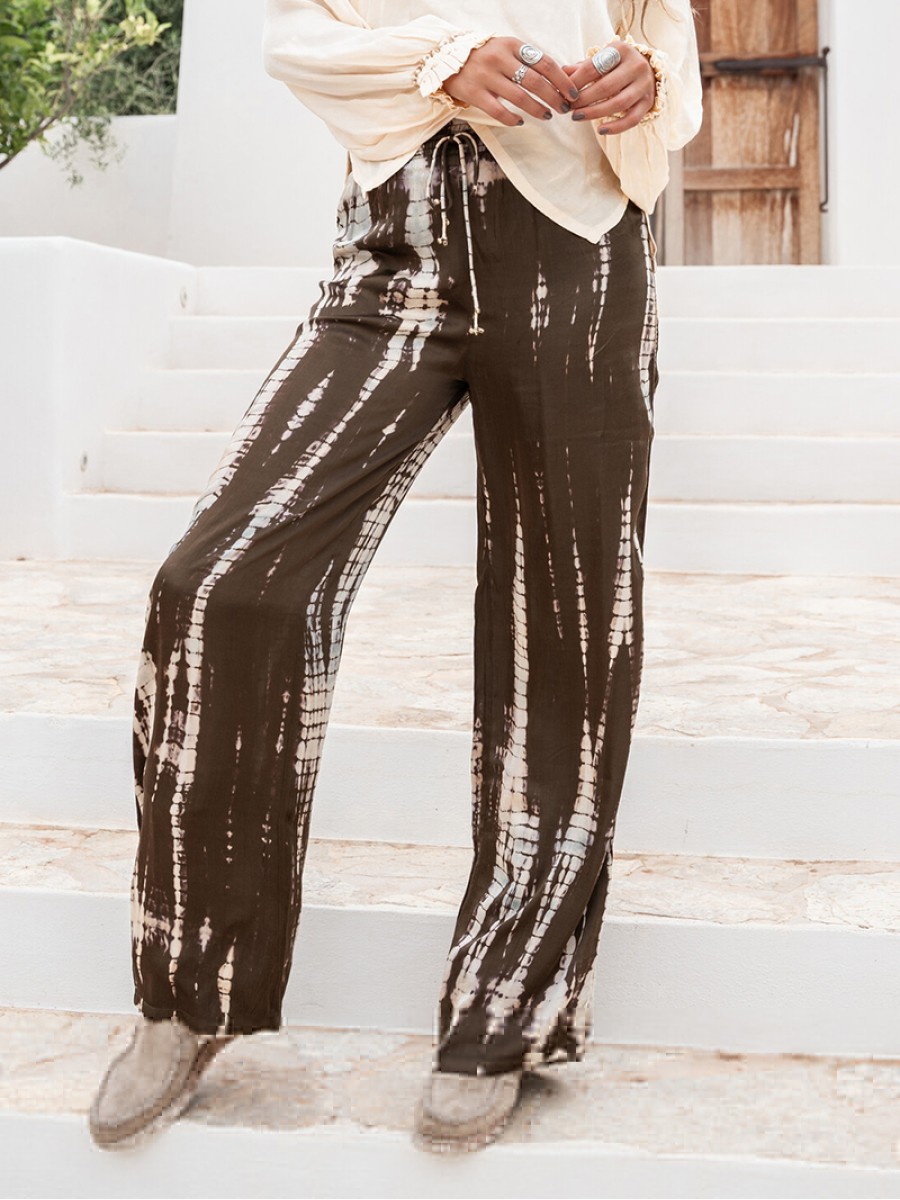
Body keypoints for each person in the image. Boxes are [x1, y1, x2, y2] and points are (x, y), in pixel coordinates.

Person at [88, 0, 703, 1155]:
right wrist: (444, 59)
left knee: (565, 623)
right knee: (220, 582)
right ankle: (189, 987)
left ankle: (505, 1013)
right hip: (395, 247)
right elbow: (292, 36)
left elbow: (663, 39)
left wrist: (648, 79)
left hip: (579, 249)